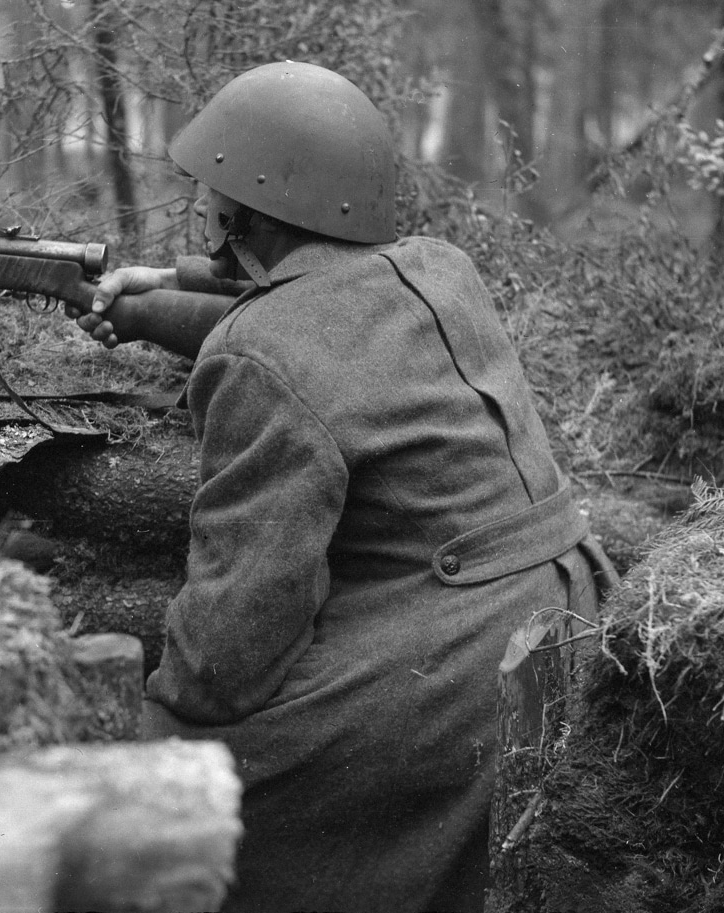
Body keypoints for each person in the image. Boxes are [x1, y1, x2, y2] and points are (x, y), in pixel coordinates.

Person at [68, 61, 615, 913]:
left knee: (170, 795)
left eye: (213, 192)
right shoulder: (440, 270)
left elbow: (235, 640)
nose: (201, 206)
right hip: (567, 617)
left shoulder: (266, 358)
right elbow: (316, 325)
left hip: (453, 676)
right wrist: (146, 304)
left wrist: (166, 718)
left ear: (240, 210)